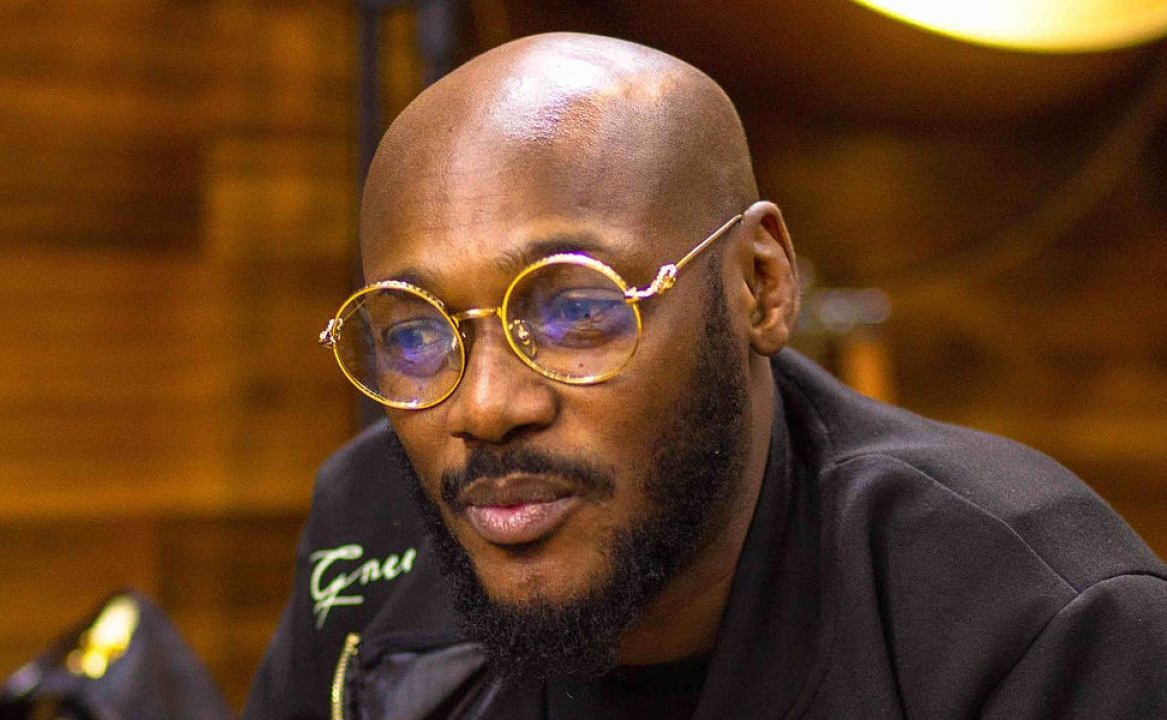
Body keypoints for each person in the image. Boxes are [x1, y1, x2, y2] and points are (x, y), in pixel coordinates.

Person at [243, 33, 1167, 720]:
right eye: (415, 332)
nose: (485, 406)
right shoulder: (373, 512)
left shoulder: (1041, 630)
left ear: (760, 287)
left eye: (574, 311)